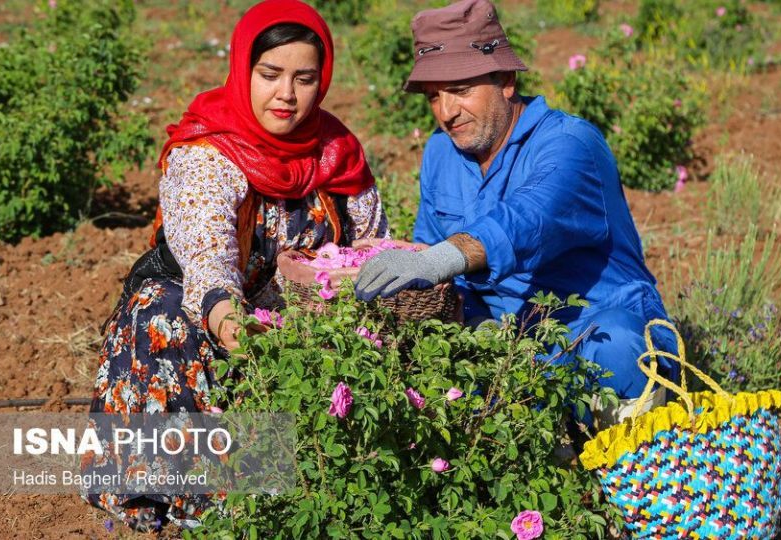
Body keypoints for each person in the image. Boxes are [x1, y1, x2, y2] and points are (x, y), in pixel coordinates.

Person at [87, 0, 387, 530]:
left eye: (305, 78)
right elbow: (208, 258)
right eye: (270, 74)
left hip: (305, 318)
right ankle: (187, 499)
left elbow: (371, 246)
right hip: (211, 313)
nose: (286, 95)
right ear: (243, 69)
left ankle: (298, 485)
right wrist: (236, 329)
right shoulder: (209, 150)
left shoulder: (337, 150)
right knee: (164, 315)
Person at [355, 0, 678, 430]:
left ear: (506, 81)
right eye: (435, 97)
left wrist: (434, 260)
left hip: (592, 325)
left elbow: (527, 219)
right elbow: (430, 247)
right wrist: (471, 319)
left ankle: (631, 475)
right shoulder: (440, 153)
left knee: (615, 345)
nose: (447, 112)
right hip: (510, 342)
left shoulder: (570, 144)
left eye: (462, 90)